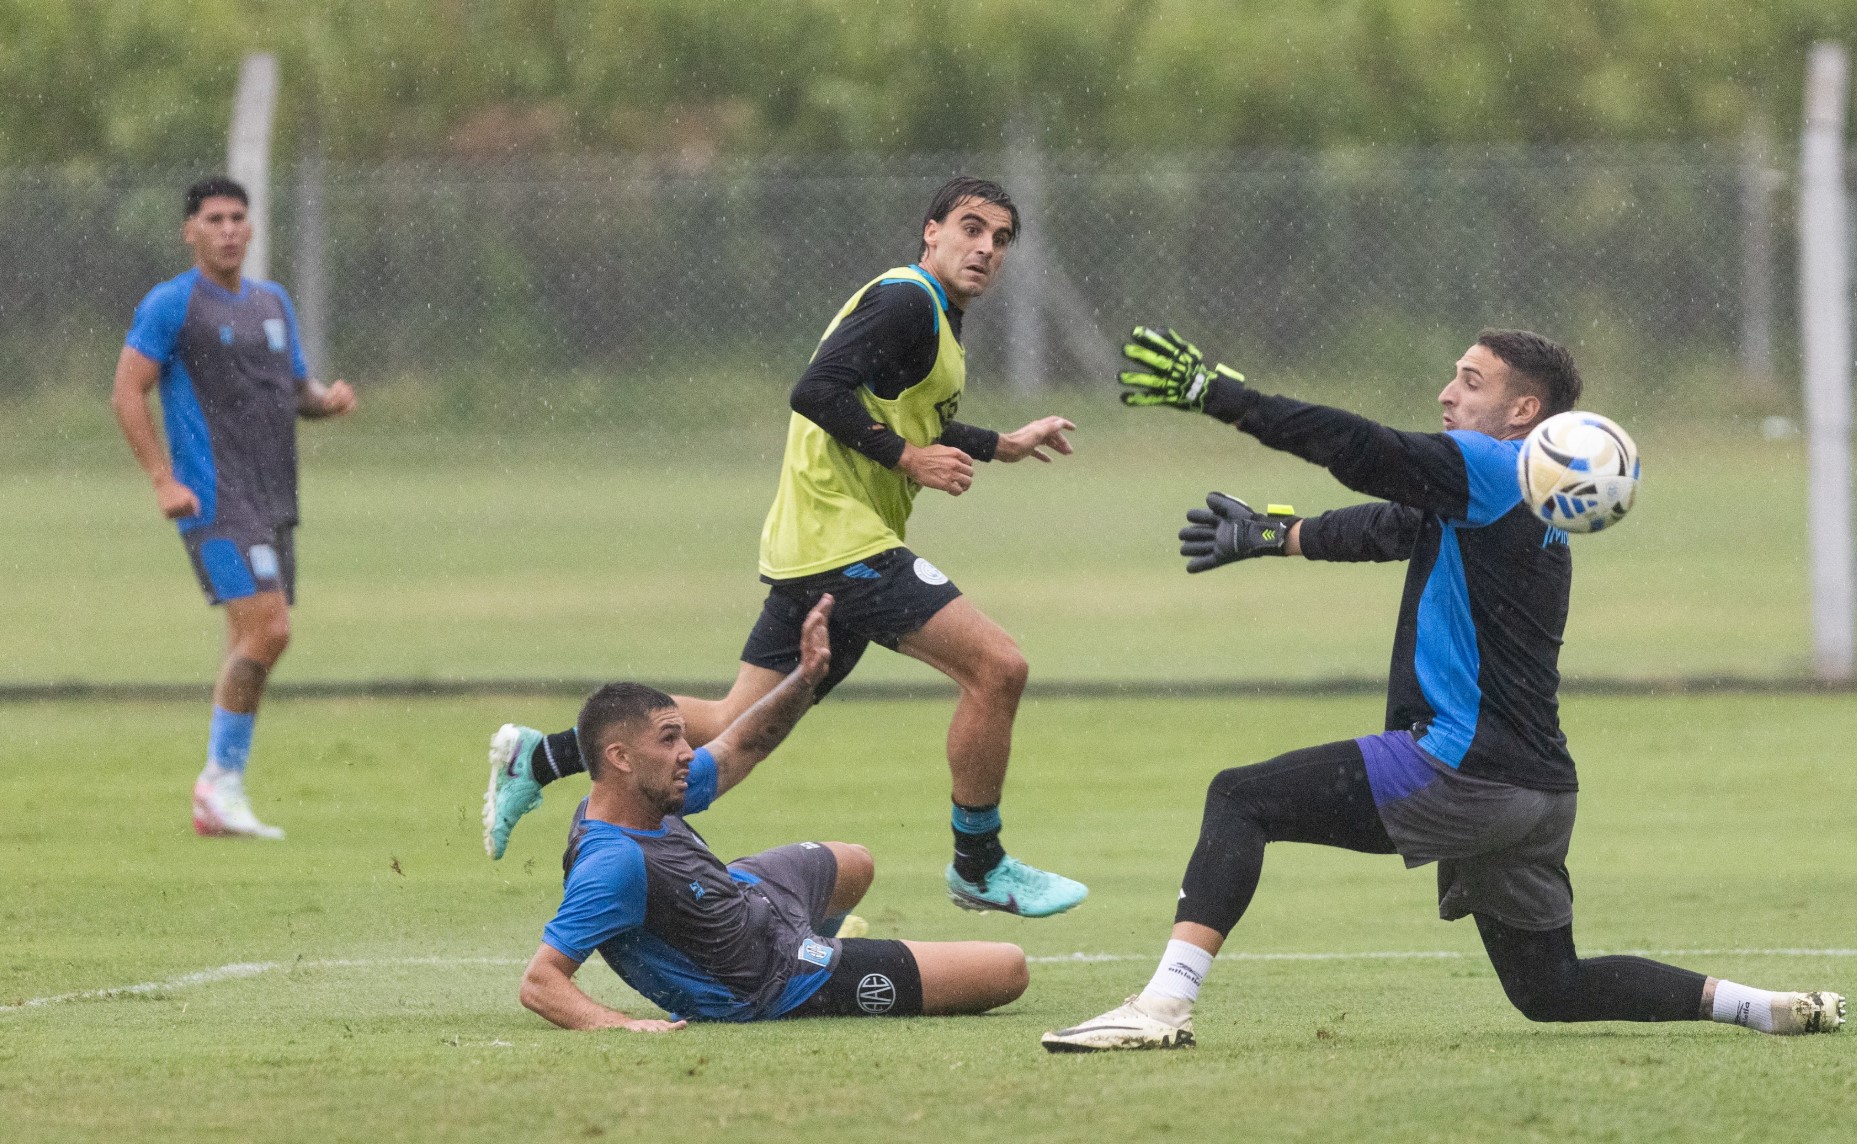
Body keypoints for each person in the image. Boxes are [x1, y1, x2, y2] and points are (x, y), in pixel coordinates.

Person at [1040, 327, 1844, 1051]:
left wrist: (1219, 396)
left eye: (1469, 380)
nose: (1446, 393)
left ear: (1522, 411)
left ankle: (1162, 1006)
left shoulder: (1496, 467)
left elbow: (1361, 448)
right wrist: (1276, 535)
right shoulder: (1519, 500)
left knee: (1241, 798)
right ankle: (1759, 1008)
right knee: (1549, 989)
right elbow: (1390, 525)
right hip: (1537, 790)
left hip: (1460, 769)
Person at [488, 176, 1088, 918]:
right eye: (971, 228)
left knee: (732, 724)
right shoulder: (905, 301)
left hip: (816, 543)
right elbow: (816, 390)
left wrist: (1002, 444)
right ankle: (979, 863)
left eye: (1000, 240)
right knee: (998, 668)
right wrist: (906, 460)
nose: (986, 248)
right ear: (930, 231)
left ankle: (540, 756)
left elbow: (910, 416)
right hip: (841, 538)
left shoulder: (934, 316)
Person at [519, 594, 1030, 1030]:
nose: (687, 752)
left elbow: (743, 743)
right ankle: (828, 960)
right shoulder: (613, 864)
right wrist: (622, 1024)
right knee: (1008, 969)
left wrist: (805, 678)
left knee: (855, 862)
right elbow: (541, 982)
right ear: (621, 758)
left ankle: (818, 933)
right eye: (669, 738)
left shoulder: (641, 794)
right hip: (775, 978)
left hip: (749, 899)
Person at [110, 176, 357, 840]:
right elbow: (128, 391)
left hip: (273, 496)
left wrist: (325, 401)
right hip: (215, 498)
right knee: (271, 630)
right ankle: (219, 783)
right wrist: (162, 479)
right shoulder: (173, 303)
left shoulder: (272, 302)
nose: (227, 230)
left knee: (248, 637)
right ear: (189, 231)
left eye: (237, 218)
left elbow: (294, 390)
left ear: (251, 228)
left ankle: (220, 798)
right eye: (213, 219)